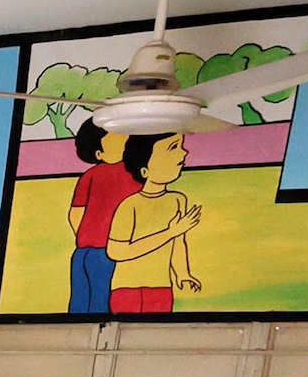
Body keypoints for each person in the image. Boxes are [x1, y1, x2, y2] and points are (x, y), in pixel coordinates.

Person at [107, 133, 203, 316]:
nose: (184, 153)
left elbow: (178, 244)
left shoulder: (178, 199)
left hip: (161, 287)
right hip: (127, 289)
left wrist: (182, 274)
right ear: (145, 170)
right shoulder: (130, 206)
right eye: (173, 148)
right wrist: (170, 232)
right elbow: (116, 252)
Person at [63, 119, 138, 318]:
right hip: (98, 249)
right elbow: (76, 212)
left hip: (94, 247)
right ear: (99, 153)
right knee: (87, 296)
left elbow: (76, 213)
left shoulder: (129, 172)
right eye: (115, 136)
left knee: (94, 296)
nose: (124, 137)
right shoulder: (101, 175)